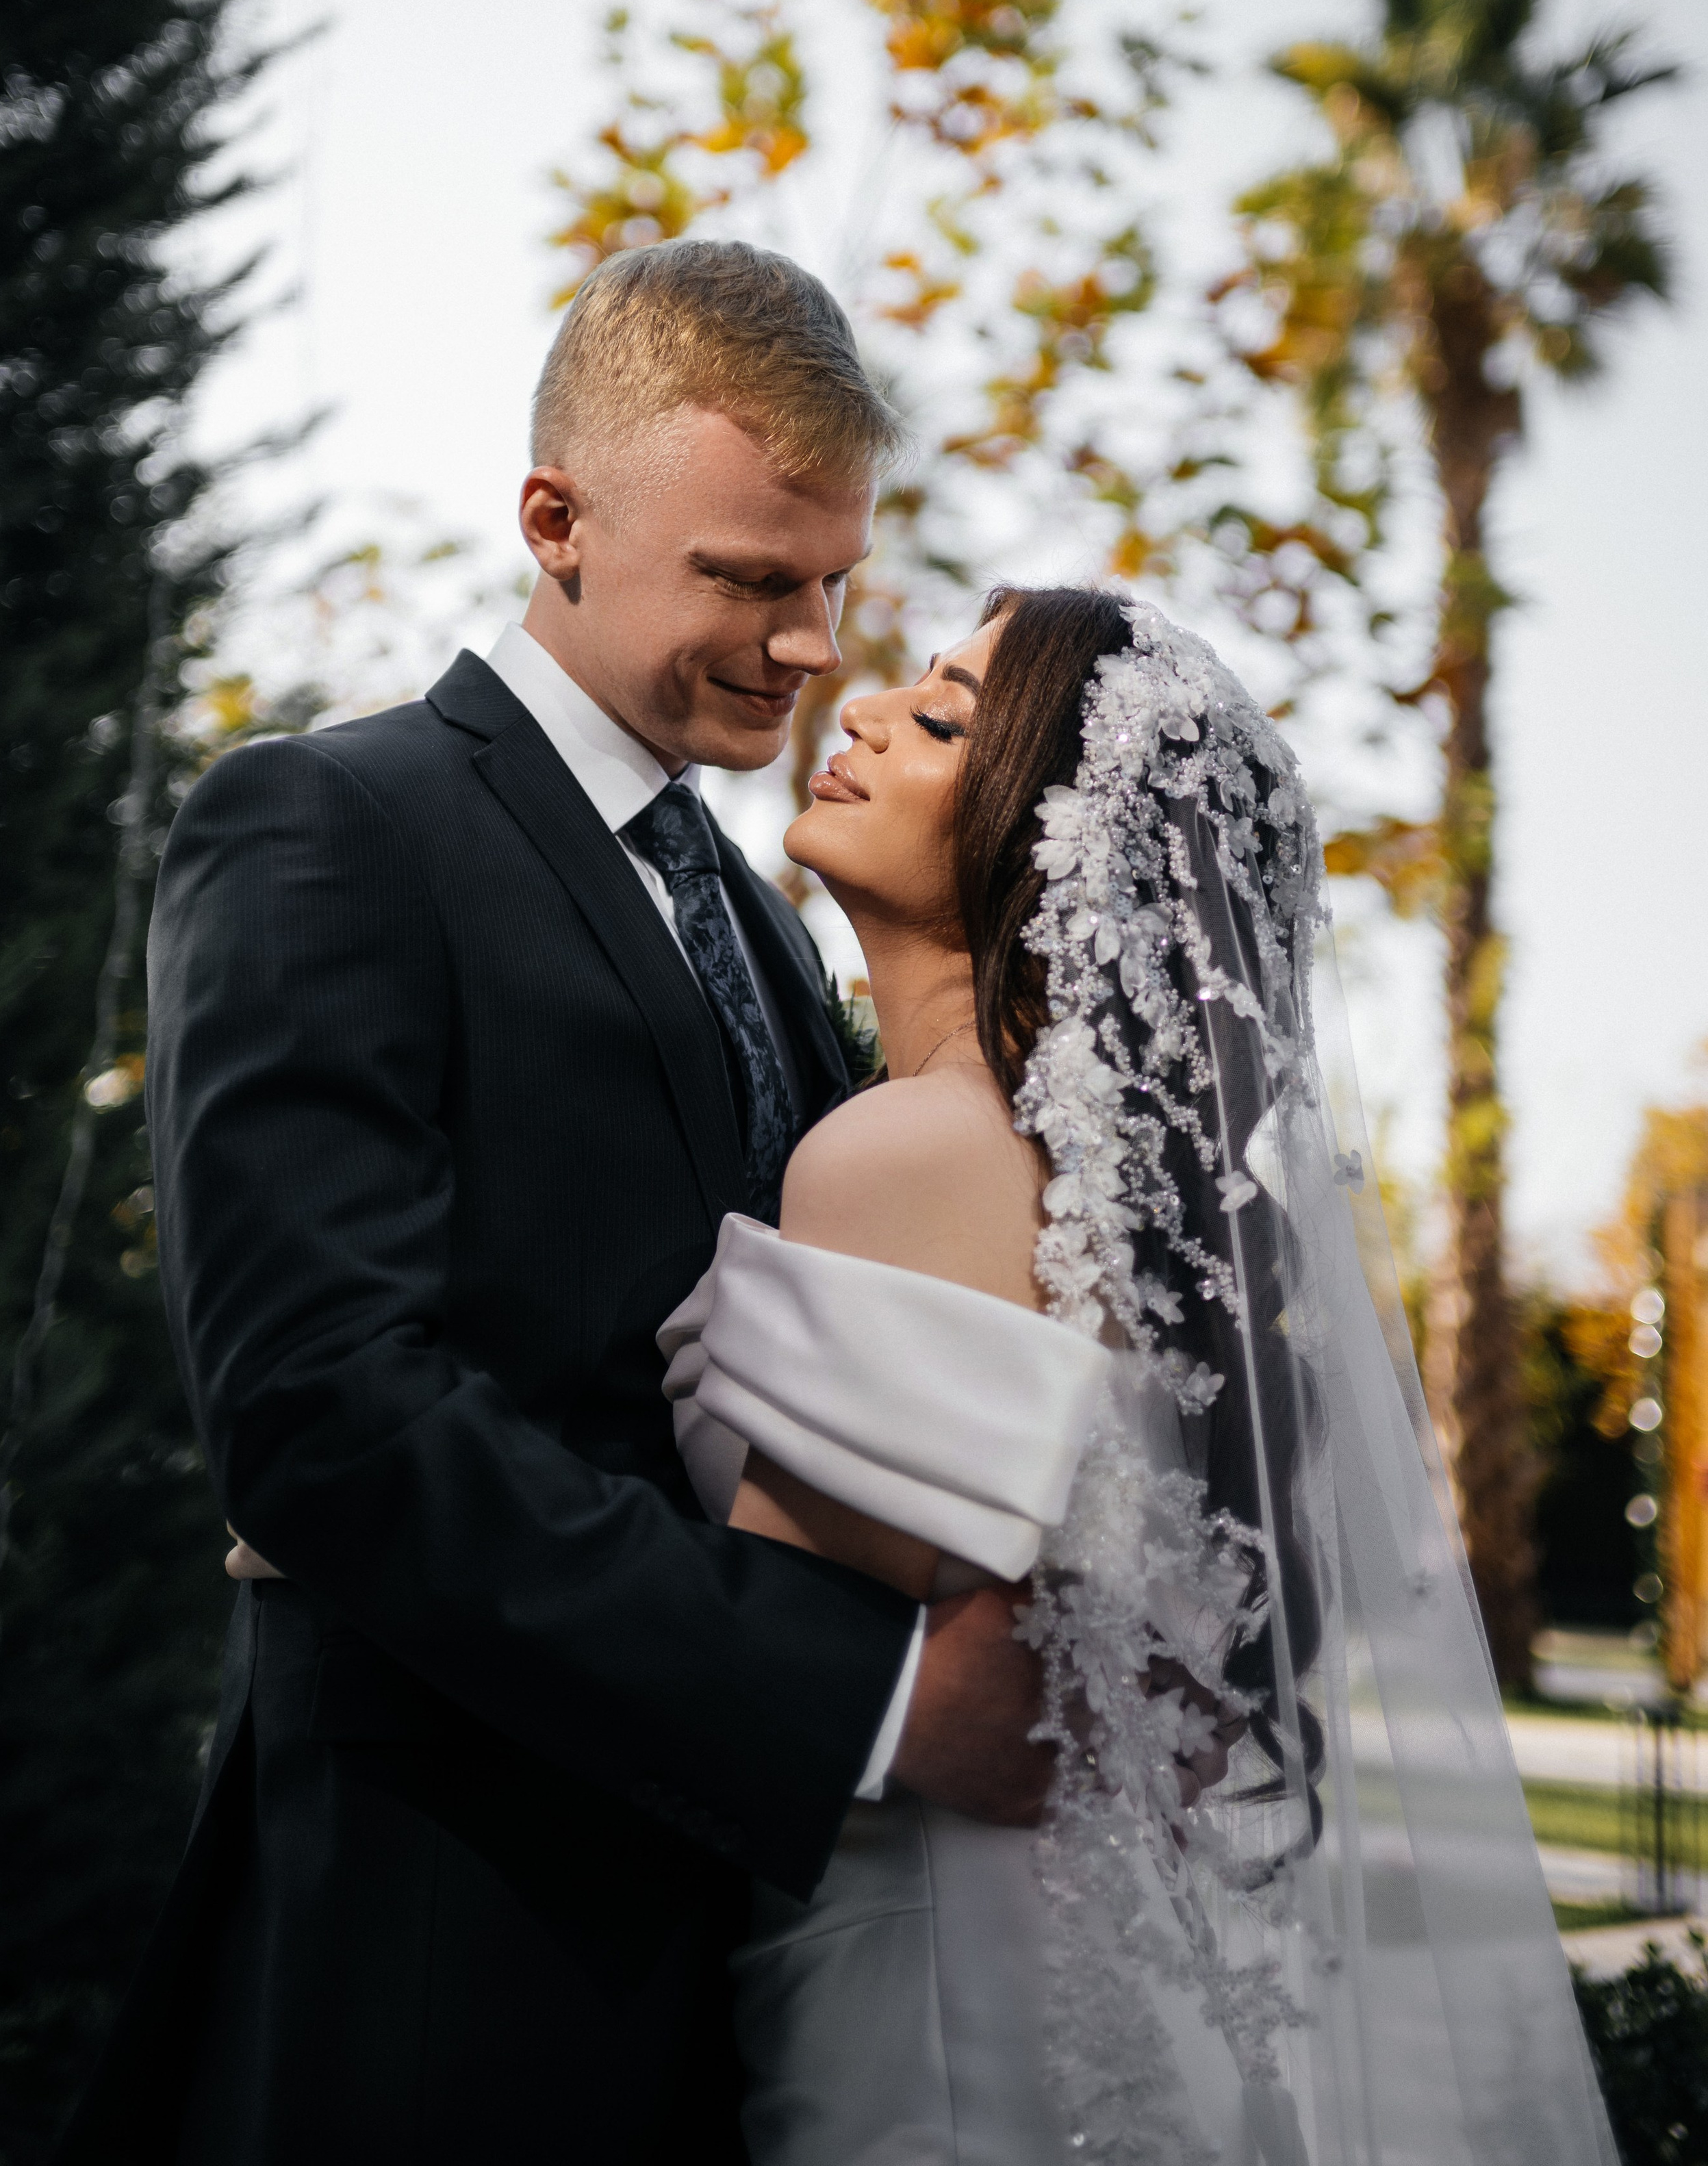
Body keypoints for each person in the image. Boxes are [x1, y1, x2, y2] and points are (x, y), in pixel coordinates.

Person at [55, 243, 1051, 2166]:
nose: (813, 642)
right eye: (754, 580)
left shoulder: (770, 917)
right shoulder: (330, 825)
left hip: (748, 1946)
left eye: (833, 578)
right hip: (449, 1935)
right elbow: (323, 1416)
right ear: (555, 520)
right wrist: (870, 1702)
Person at [661, 584, 1621, 2166]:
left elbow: (748, 1669)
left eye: (948, 716)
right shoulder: (1107, 1217)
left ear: (1055, 848)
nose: (864, 707)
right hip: (1087, 1983)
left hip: (925, 2014)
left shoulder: (897, 1159)